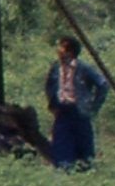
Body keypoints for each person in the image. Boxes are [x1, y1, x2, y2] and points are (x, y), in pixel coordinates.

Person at [45, 35, 107, 169]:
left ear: (70, 51)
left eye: (62, 47)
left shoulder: (83, 68)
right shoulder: (56, 68)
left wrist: (93, 106)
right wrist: (52, 103)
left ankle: (84, 168)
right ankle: (64, 168)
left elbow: (102, 84)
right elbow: (49, 85)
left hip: (79, 110)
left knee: (83, 141)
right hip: (62, 110)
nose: (58, 50)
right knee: (61, 141)